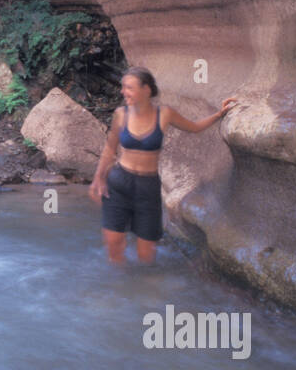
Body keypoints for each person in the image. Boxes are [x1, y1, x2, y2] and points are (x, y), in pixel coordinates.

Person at [87, 67, 238, 266]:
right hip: (119, 182)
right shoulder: (120, 114)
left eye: (129, 88)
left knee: (146, 254)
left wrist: (220, 114)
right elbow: (109, 148)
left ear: (146, 90)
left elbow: (194, 127)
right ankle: (117, 289)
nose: (123, 92)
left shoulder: (164, 114)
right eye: (123, 87)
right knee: (114, 246)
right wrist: (98, 179)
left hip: (147, 186)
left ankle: (143, 291)